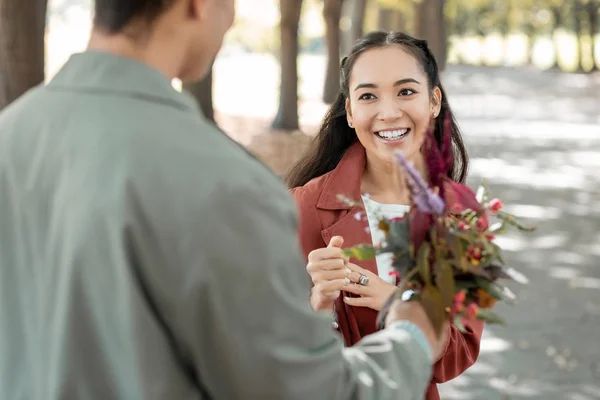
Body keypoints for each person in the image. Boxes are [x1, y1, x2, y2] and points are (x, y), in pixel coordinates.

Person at [0, 2, 449, 399]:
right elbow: (304, 390)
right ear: (198, 5)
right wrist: (411, 330)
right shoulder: (226, 181)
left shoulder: (10, 136)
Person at [287, 31, 485, 400]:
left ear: (434, 101)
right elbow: (267, 349)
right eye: (368, 96)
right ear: (349, 111)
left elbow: (459, 352)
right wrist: (319, 305)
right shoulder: (301, 208)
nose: (389, 111)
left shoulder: (461, 213)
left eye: (406, 91)